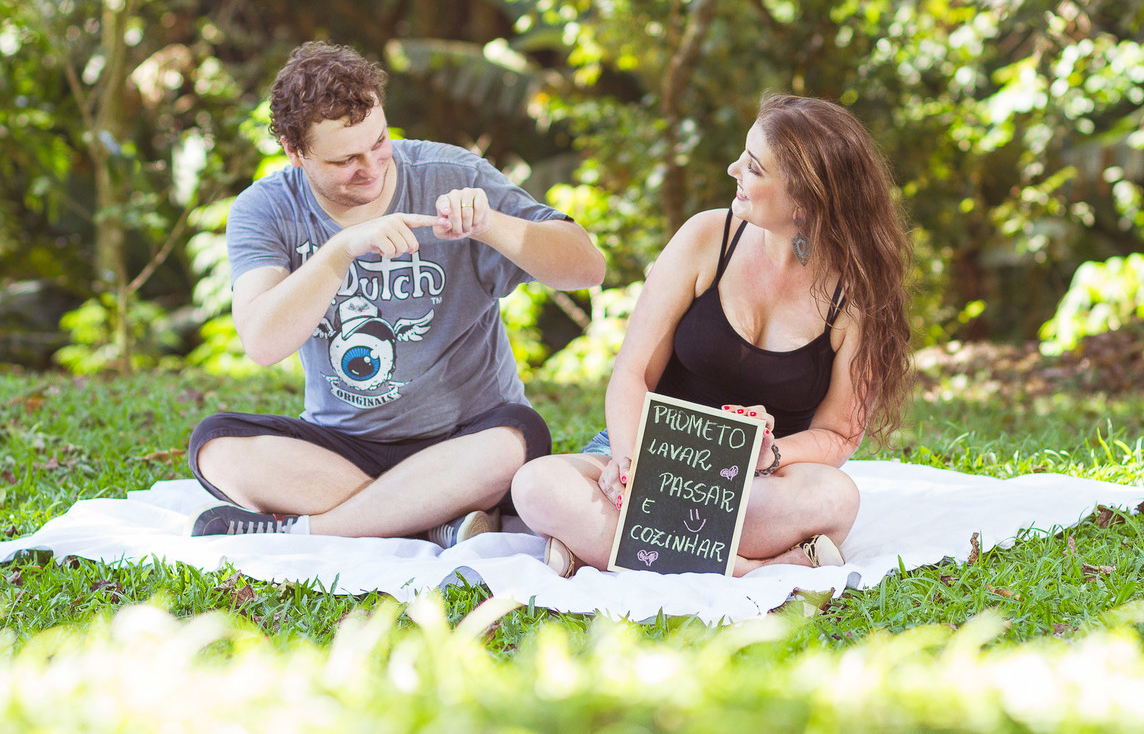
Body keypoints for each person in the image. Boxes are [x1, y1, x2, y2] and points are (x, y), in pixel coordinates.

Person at [183, 41, 605, 546]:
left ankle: (313, 529)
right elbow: (262, 341)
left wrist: (492, 225)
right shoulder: (265, 208)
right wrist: (339, 252)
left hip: (467, 440)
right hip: (342, 446)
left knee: (516, 440)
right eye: (345, 160)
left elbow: (587, 268)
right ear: (295, 154)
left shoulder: (452, 174)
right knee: (216, 446)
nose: (372, 165)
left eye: (379, 141)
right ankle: (435, 519)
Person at [511, 93, 912, 576]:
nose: (732, 169)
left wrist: (774, 452)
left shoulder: (857, 296)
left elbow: (839, 433)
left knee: (835, 498)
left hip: (748, 483)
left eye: (755, 167)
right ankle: (751, 565)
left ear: (805, 203)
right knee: (535, 485)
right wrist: (628, 460)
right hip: (647, 455)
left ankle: (609, 548)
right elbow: (633, 372)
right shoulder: (706, 237)